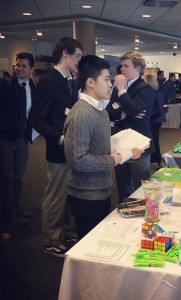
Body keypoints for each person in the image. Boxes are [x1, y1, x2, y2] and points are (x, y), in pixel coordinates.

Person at [63, 55, 127, 239]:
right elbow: (77, 160)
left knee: (98, 240)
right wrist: (112, 160)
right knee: (88, 244)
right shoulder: (82, 113)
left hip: (101, 189)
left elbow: (97, 145)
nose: (111, 84)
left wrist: (124, 151)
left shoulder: (99, 110)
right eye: (106, 79)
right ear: (90, 82)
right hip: (85, 195)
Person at [31, 37, 83, 257]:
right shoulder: (50, 81)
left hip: (72, 149)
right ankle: (52, 239)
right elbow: (37, 119)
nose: (79, 61)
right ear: (65, 53)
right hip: (58, 148)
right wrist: (60, 138)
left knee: (71, 193)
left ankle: (69, 233)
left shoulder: (70, 79)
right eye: (77, 56)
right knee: (56, 196)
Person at [106, 51, 154, 203]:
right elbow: (109, 112)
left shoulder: (144, 88)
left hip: (138, 145)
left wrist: (121, 91)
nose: (122, 69)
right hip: (120, 144)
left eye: (126, 66)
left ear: (138, 68)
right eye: (121, 66)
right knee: (123, 186)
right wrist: (124, 113)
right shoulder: (118, 87)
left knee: (141, 186)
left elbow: (134, 110)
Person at [0, 52, 36, 225]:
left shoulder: (33, 87)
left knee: (18, 177)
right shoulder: (5, 84)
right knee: (7, 178)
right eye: (17, 65)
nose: (19, 68)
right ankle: (10, 214)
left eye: (23, 66)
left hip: (23, 138)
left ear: (31, 68)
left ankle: (16, 207)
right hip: (5, 139)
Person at [144, 74, 166, 170]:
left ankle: (152, 160)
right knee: (155, 140)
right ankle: (157, 161)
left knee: (149, 141)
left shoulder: (149, 93)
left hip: (151, 120)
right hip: (158, 119)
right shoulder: (160, 93)